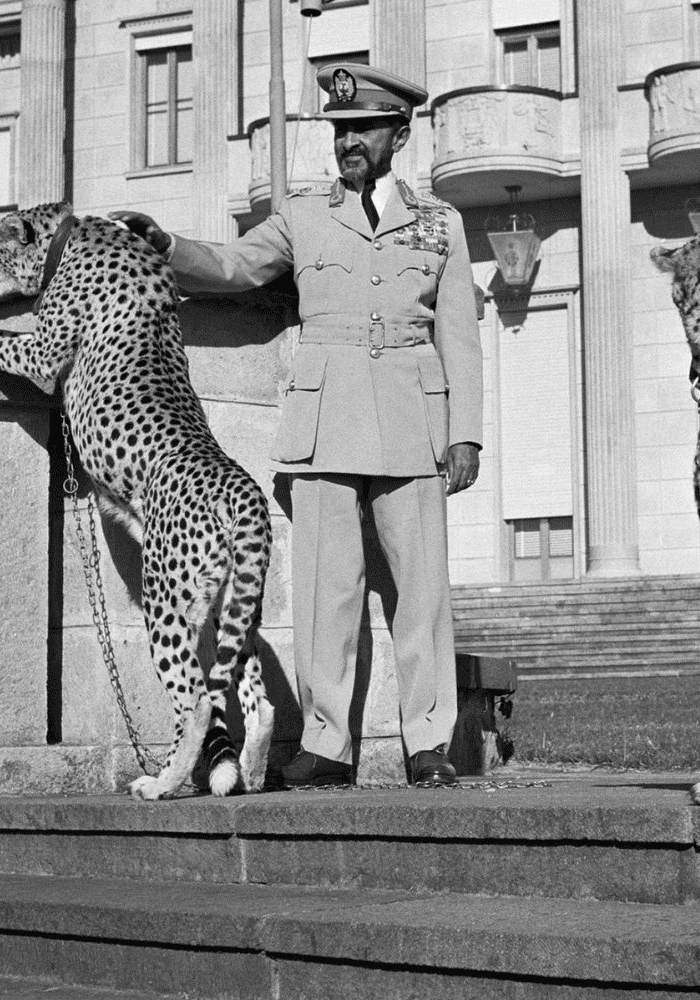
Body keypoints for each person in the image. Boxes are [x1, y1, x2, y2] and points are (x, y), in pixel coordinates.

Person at [112, 64, 481, 787]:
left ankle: (429, 743)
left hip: (413, 420)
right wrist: (166, 245)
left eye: (363, 129)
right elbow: (236, 265)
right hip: (324, 422)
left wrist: (463, 431)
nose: (349, 142)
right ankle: (326, 745)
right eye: (341, 130)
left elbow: (460, 335)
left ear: (399, 134)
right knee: (325, 594)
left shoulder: (442, 223)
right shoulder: (303, 214)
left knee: (423, 594)